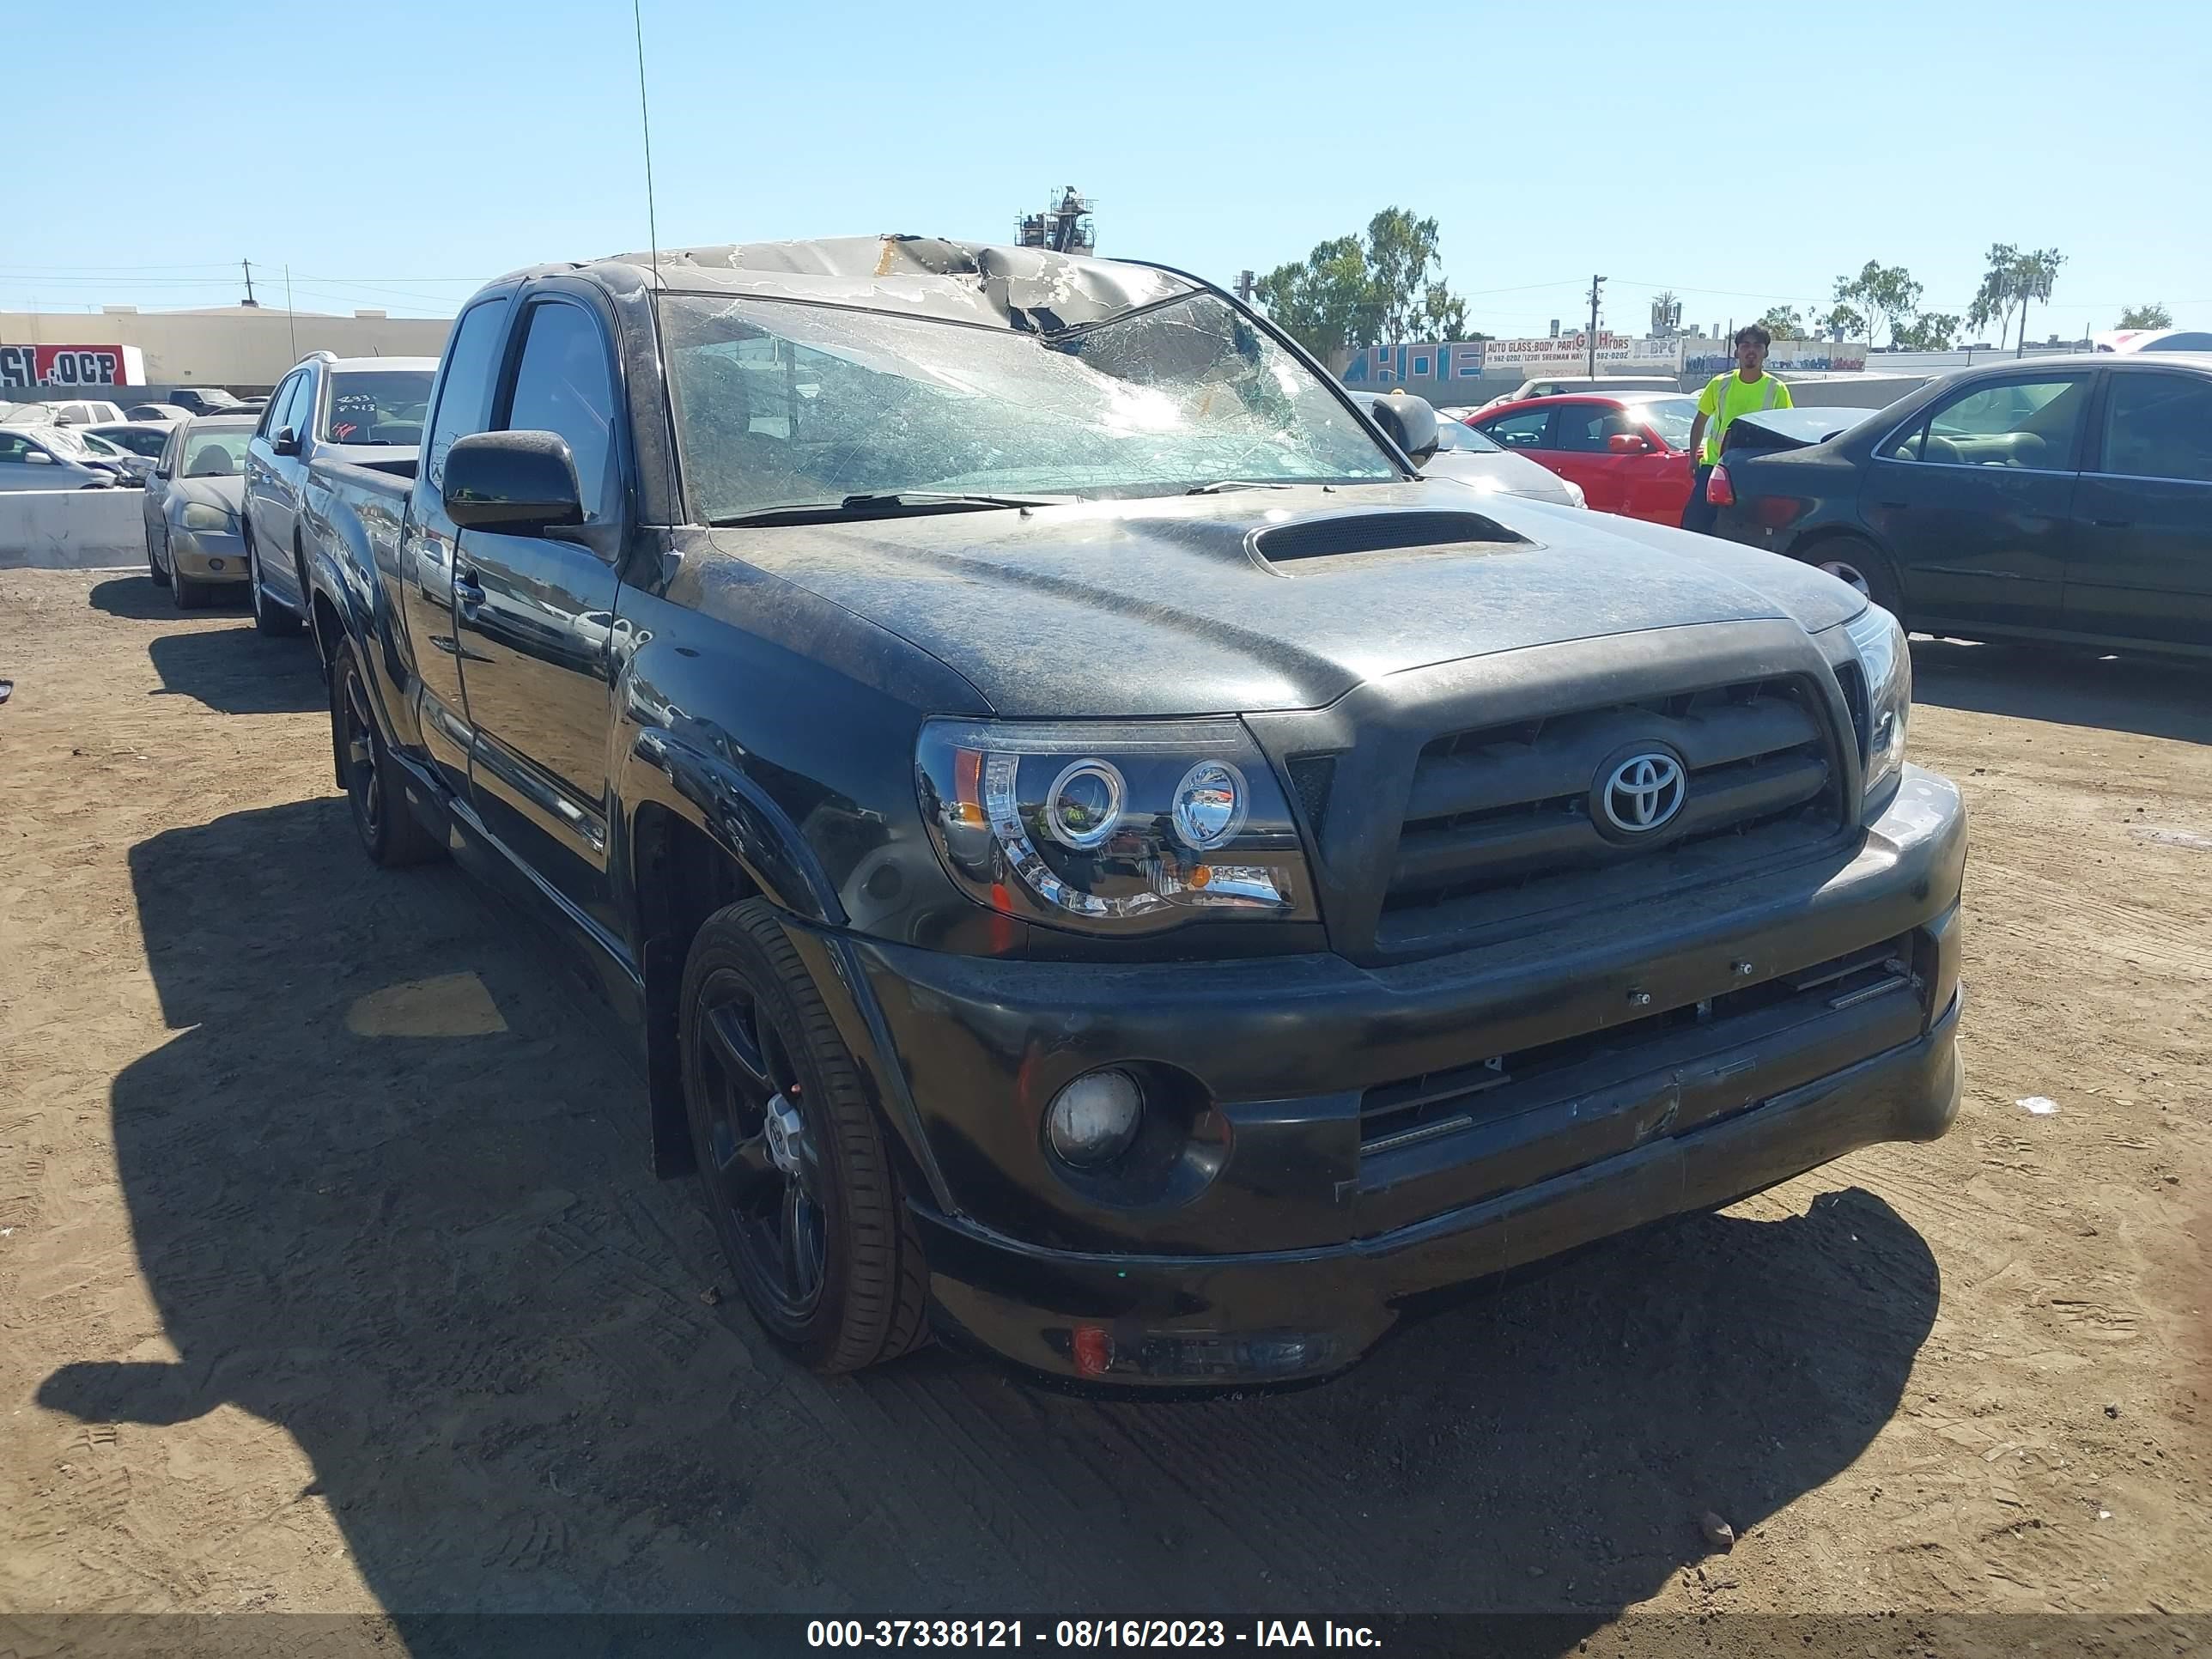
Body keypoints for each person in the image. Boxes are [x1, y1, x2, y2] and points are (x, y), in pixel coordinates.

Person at [1680, 325, 1793, 534]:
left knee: (1746, 530)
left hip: (1754, 471)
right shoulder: (1719, 384)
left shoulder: (1777, 389)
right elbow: (1700, 420)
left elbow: (1787, 431)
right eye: (1745, 345)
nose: (1751, 350)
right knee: (1694, 526)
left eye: (1757, 346)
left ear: (1765, 352)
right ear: (1737, 352)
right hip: (1715, 467)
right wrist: (1692, 459)